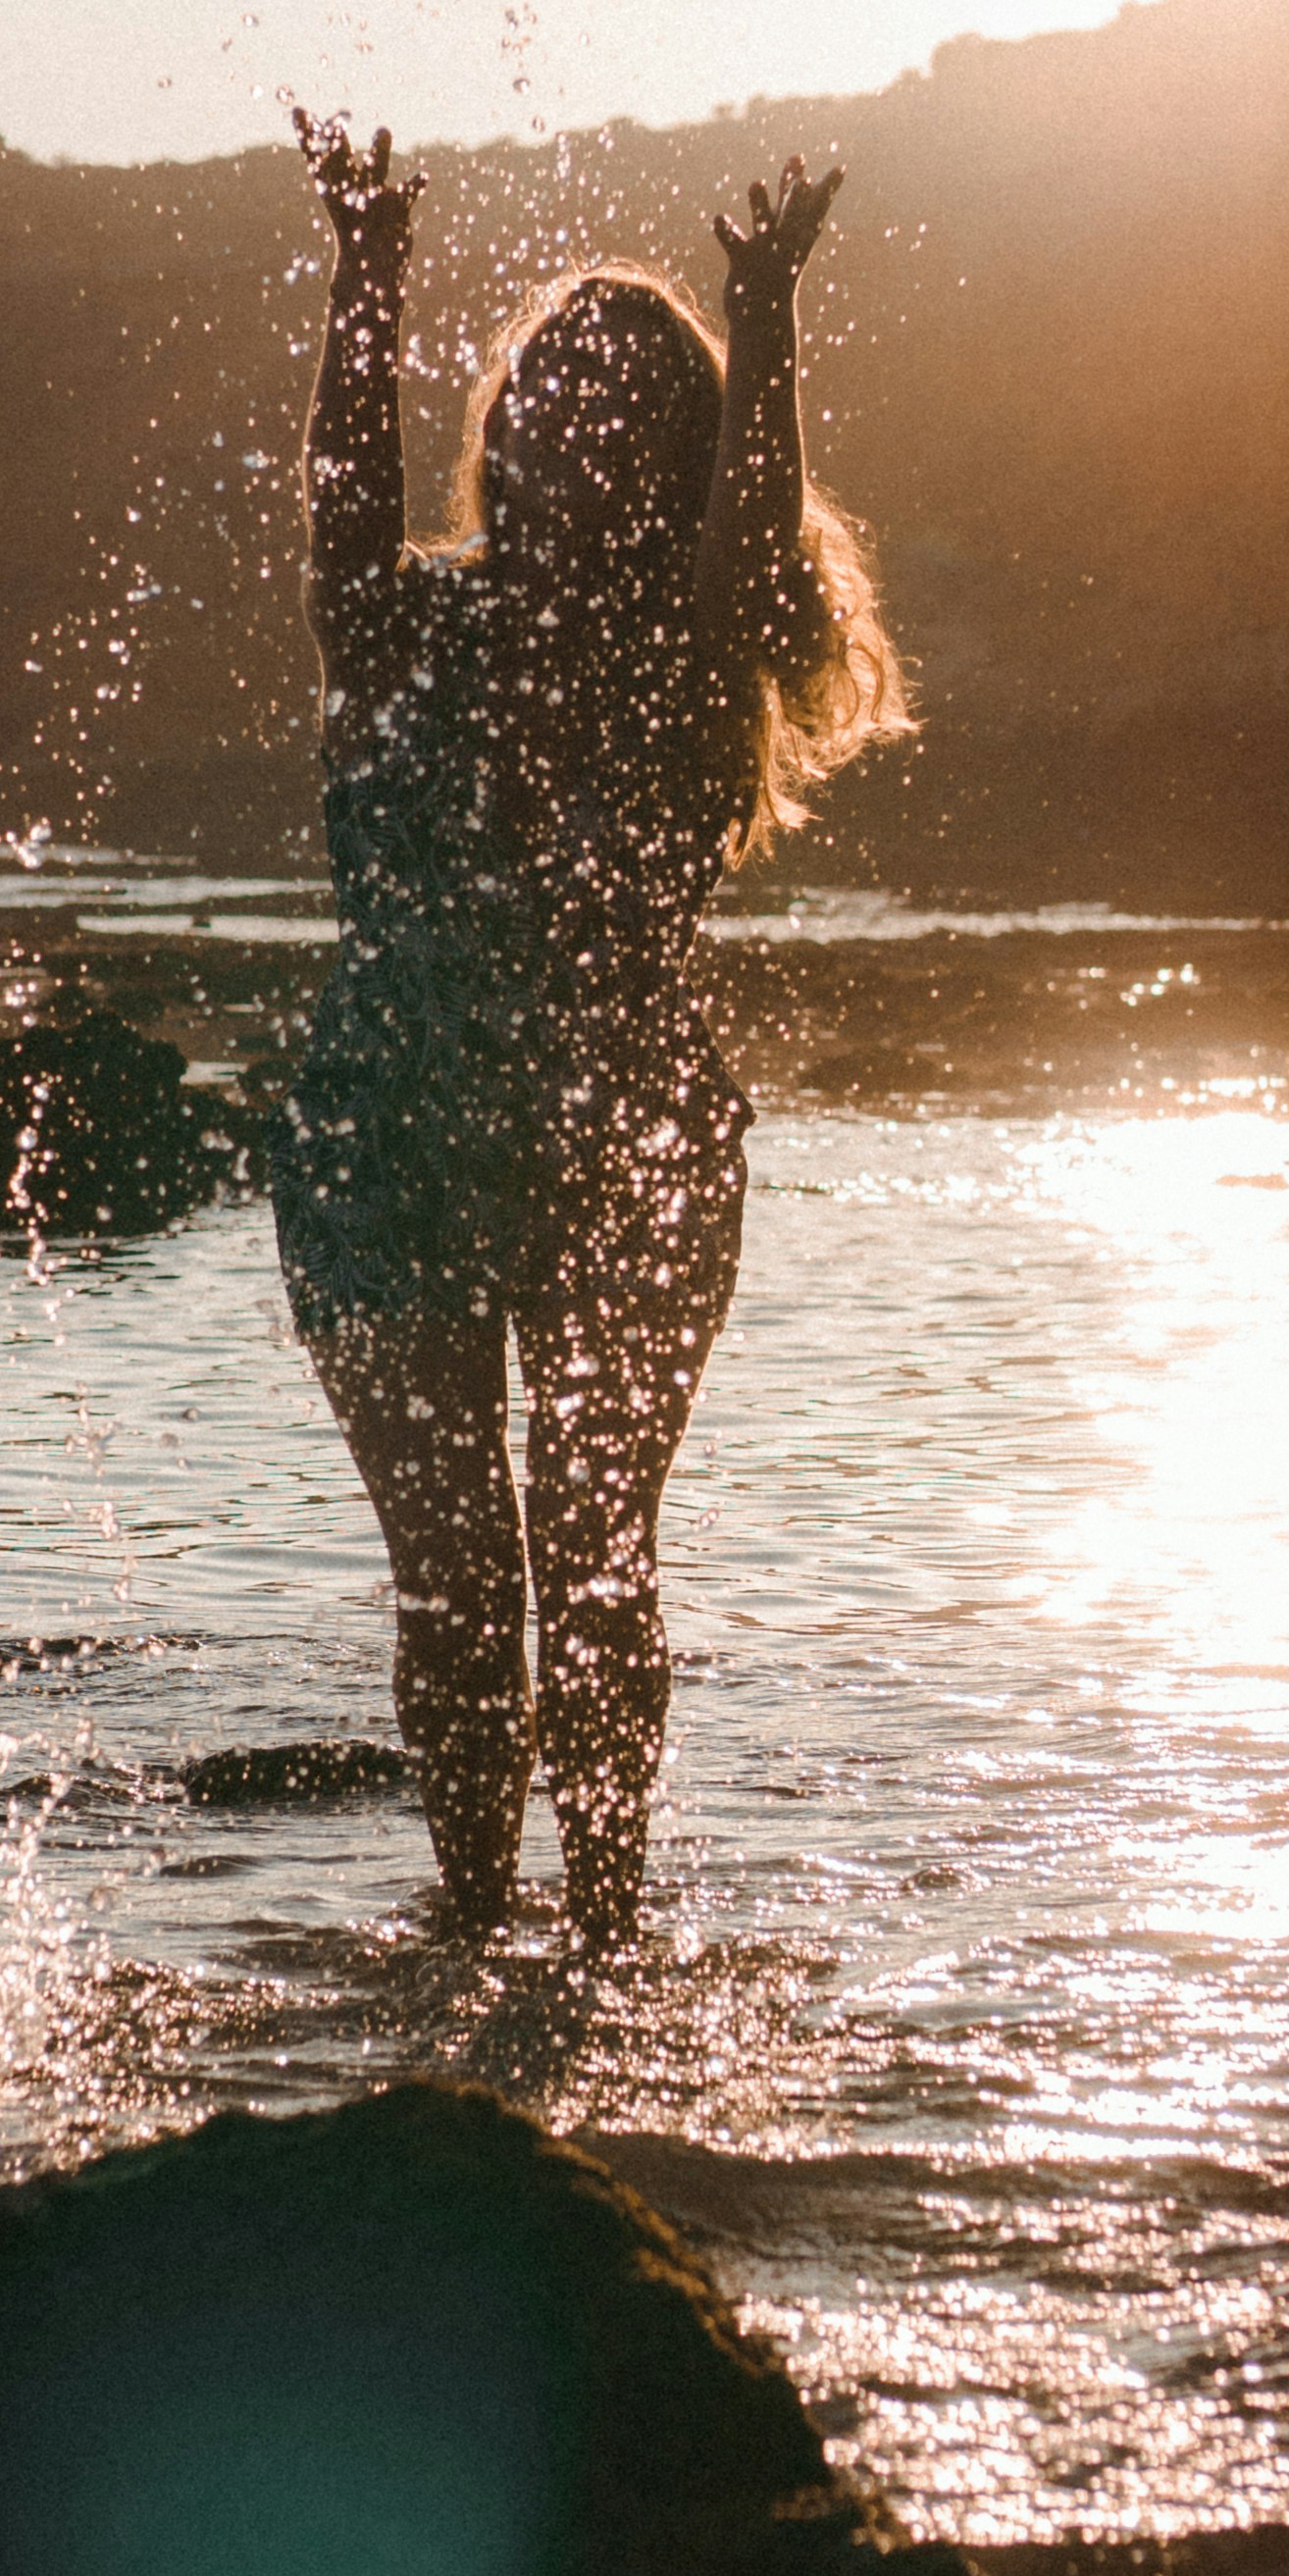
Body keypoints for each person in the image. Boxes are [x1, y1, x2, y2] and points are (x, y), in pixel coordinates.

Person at [268, 110, 912, 1945]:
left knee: (602, 1573)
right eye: (552, 372)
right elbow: (336, 505)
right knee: (459, 1590)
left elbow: (759, 527)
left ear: (684, 448)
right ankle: (476, 1949)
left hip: (620, 1135)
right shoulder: (398, 627)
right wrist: (365, 277)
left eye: (631, 386)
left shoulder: (698, 643)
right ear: (509, 420)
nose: (581, 401)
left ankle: (610, 1947)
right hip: (379, 1145)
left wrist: (762, 314)